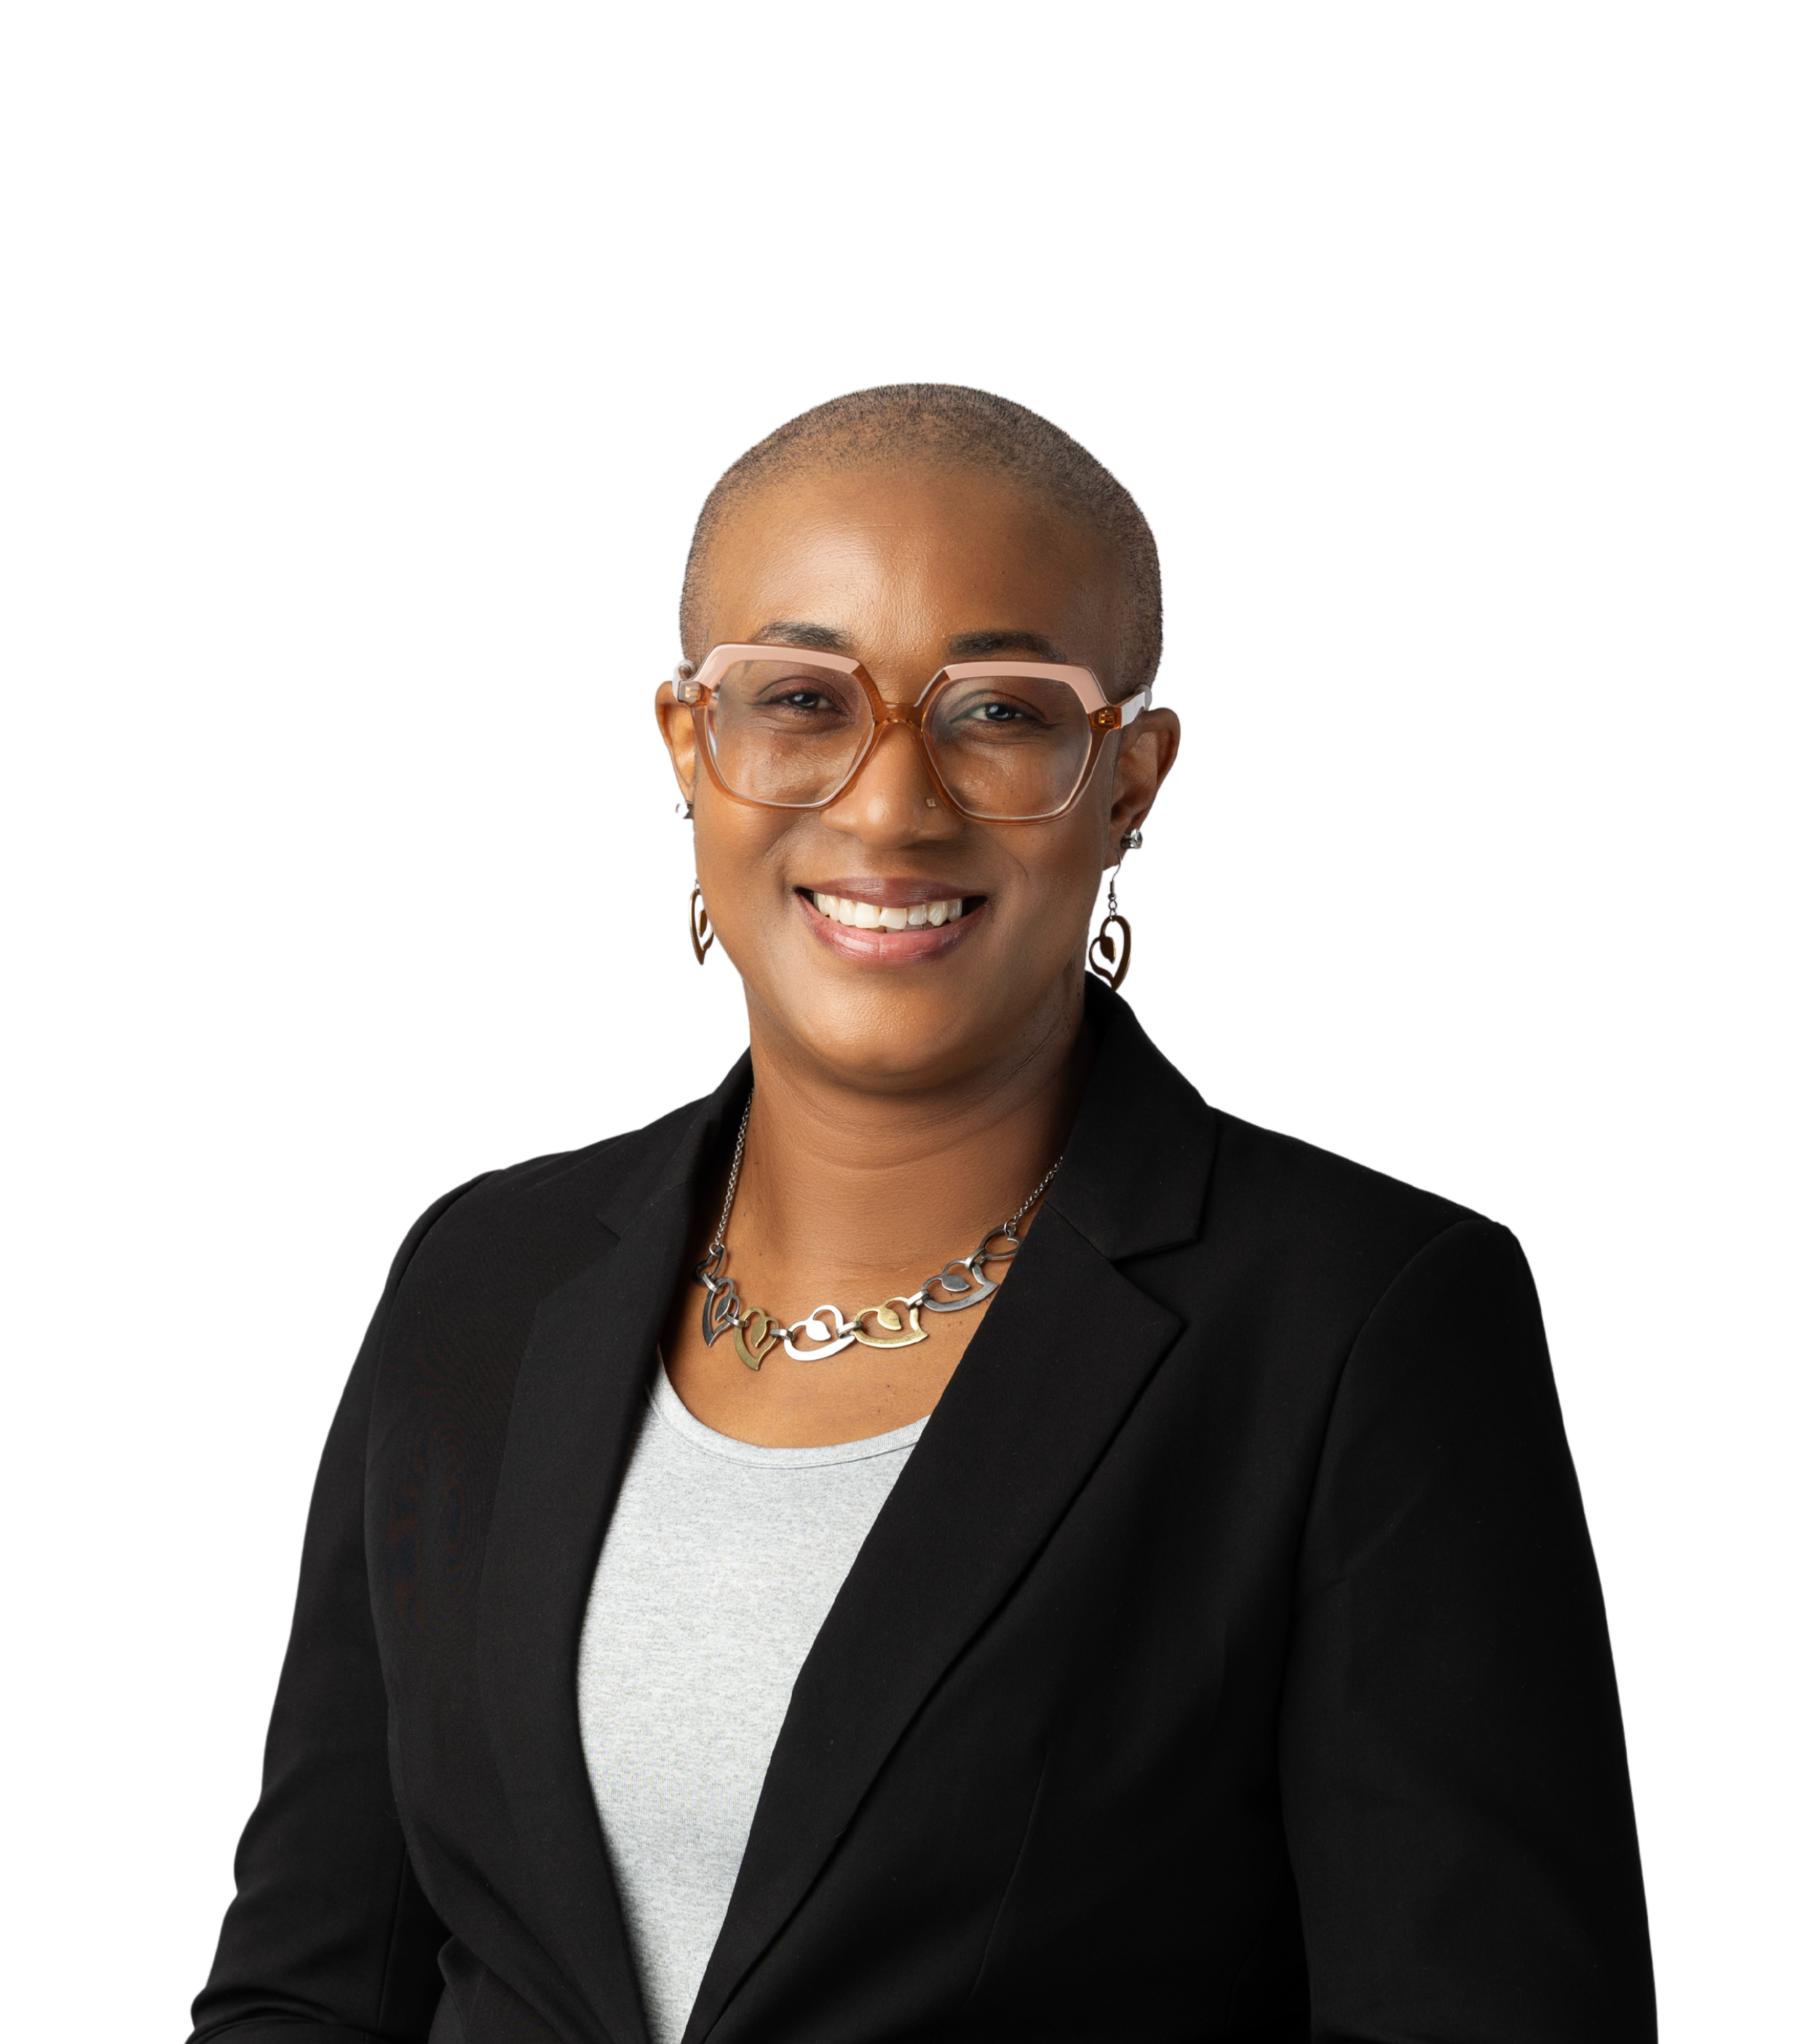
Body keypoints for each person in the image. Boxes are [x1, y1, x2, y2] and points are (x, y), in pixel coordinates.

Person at [189, 381, 1658, 2044]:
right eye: (799, 699)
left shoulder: (1352, 1324)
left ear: (1131, 778)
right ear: (684, 744)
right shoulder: (479, 1279)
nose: (890, 805)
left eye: (1000, 712)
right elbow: (307, 1990)